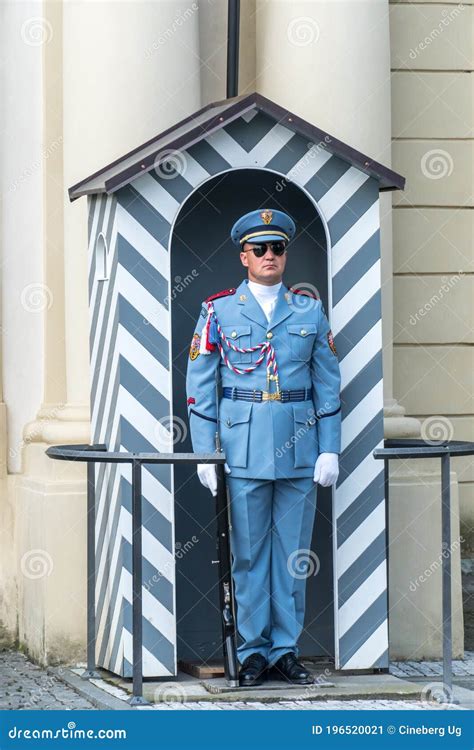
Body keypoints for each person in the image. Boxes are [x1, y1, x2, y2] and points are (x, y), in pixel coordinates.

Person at [185, 208, 341, 686]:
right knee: (249, 555)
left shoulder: (308, 310)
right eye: (260, 249)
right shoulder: (219, 310)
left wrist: (329, 447)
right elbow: (200, 384)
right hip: (242, 445)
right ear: (244, 257)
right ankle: (252, 651)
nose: (270, 255)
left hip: (299, 446)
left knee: (292, 554)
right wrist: (204, 451)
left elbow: (328, 384)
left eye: (277, 248)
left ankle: (285, 650)